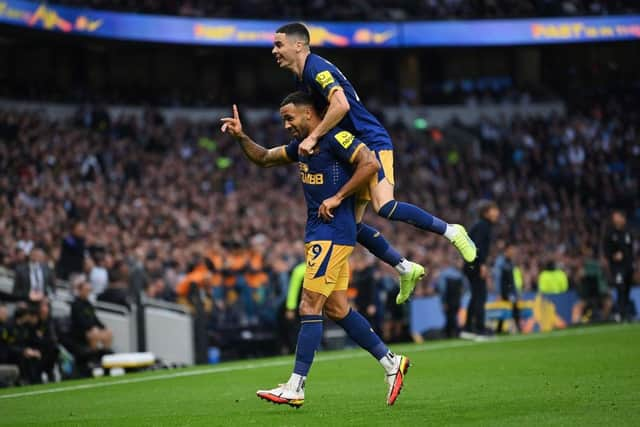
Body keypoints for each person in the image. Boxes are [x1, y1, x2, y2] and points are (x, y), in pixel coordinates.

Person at [221, 91, 410, 407]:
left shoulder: (337, 138)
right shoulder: (302, 147)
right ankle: (391, 362)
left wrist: (337, 198)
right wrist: (242, 137)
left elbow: (370, 164)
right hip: (321, 233)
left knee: (309, 305)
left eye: (289, 117)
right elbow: (266, 157)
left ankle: (296, 386)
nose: (286, 125)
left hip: (333, 232)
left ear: (309, 113)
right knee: (336, 309)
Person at [272, 22, 477, 303]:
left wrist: (313, 138)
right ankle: (405, 267)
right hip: (347, 148)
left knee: (385, 206)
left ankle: (452, 231)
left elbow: (341, 105)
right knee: (349, 225)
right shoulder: (302, 80)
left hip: (370, 140)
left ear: (299, 45)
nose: (274, 51)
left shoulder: (315, 69)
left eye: (279, 44)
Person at [462, 200, 500, 338]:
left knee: (476, 295)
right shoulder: (483, 226)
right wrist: (481, 264)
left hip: (470, 264)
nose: (497, 213)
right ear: (485, 212)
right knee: (480, 295)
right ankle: (479, 328)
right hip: (475, 264)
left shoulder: (481, 225)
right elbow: (476, 246)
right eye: (493, 209)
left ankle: (468, 328)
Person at [604, 210, 635, 321]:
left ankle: (625, 312)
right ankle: (620, 313)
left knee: (627, 289)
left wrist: (633, 263)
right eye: (614, 217)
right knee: (620, 287)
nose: (616, 219)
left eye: (618, 217)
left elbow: (631, 249)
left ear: (623, 218)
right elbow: (606, 252)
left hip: (628, 266)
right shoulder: (609, 234)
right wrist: (613, 256)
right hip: (617, 268)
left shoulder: (628, 232)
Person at [71, 276, 113, 352]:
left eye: (88, 291)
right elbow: (80, 322)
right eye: (86, 290)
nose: (87, 293)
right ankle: (93, 357)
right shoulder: (75, 304)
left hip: (92, 330)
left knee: (108, 333)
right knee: (95, 333)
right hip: (80, 332)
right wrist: (92, 327)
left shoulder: (88, 304)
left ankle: (105, 355)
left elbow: (95, 318)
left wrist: (103, 327)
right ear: (80, 291)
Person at [492, 243, 521, 334]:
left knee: (509, 309)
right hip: (504, 291)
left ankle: (499, 330)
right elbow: (497, 278)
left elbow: (512, 280)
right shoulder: (500, 262)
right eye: (512, 250)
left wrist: (516, 292)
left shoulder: (510, 262)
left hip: (510, 291)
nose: (513, 252)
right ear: (507, 250)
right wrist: (498, 293)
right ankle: (516, 328)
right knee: (506, 309)